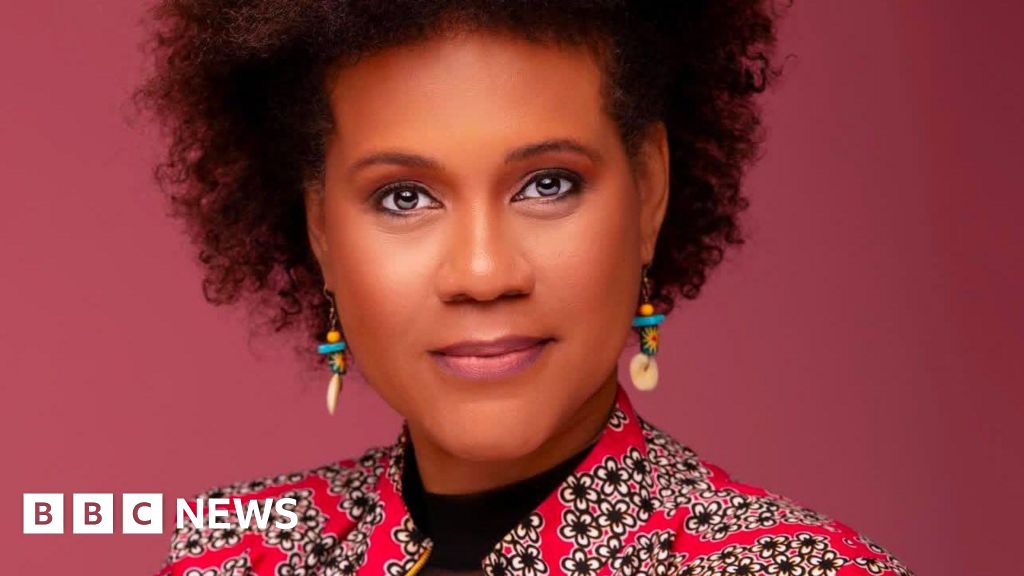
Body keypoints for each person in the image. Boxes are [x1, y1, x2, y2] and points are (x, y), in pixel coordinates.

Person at [137, 1, 914, 574]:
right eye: (404, 197)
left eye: (548, 184)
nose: (483, 273)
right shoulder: (235, 552)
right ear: (320, 232)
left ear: (649, 191)